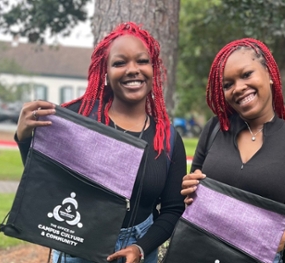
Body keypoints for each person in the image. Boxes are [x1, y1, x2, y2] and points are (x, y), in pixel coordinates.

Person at [15, 22, 187, 263]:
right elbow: (47, 184)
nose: (133, 70)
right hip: (79, 246)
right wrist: (24, 139)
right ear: (104, 71)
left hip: (139, 249)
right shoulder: (81, 120)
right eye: (119, 63)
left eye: (142, 61)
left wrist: (140, 248)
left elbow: (173, 209)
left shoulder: (167, 138)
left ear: (153, 68)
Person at [180, 38, 285, 263]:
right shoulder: (215, 129)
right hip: (203, 251)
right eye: (228, 84)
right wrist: (189, 187)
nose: (238, 88)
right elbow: (193, 189)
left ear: (270, 75)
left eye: (246, 75)